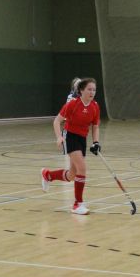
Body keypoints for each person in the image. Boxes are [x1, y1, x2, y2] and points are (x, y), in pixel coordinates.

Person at [41, 78, 100, 215]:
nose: (92, 92)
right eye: (89, 89)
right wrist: (59, 137)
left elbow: (95, 126)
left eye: (94, 90)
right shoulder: (73, 104)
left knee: (72, 175)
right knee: (82, 168)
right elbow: (57, 121)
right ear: (81, 90)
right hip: (70, 136)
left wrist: (96, 142)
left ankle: (48, 175)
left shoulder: (95, 106)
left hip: (82, 138)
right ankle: (77, 204)